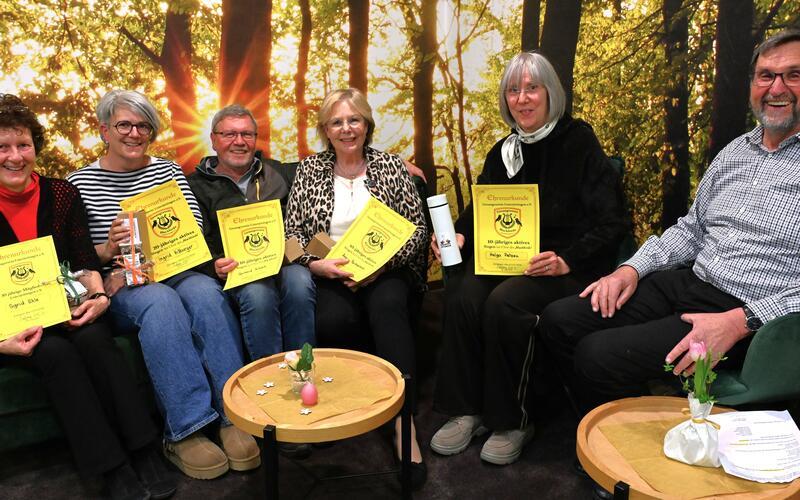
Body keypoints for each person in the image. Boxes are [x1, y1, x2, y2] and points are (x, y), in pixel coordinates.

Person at [537, 29, 800, 415]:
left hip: (749, 314)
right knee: (559, 319)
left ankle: (628, 454)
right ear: (752, 85)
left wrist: (741, 321)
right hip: (690, 280)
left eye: (793, 75)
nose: (777, 87)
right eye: (766, 75)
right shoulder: (735, 152)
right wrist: (630, 269)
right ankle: (613, 423)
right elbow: (691, 229)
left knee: (597, 355)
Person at [428, 52, 627, 465]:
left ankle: (513, 419)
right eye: (514, 90)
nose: (523, 98)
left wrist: (567, 259)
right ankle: (467, 410)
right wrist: (460, 231)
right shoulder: (504, 150)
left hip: (562, 266)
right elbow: (482, 206)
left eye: (532, 87)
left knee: (505, 302)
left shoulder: (578, 141)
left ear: (549, 92)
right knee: (464, 293)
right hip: (509, 259)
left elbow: (612, 221)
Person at [66, 90, 258, 480]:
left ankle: (232, 414)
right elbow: (79, 258)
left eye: (143, 126)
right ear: (105, 130)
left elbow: (194, 229)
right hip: (123, 285)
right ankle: (184, 430)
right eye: (124, 125)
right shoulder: (78, 183)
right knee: (161, 301)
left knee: (205, 293)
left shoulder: (167, 172)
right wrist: (109, 248)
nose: (135, 133)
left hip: (174, 269)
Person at [0, 94, 176, 500]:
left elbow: (83, 259)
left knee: (97, 340)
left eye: (23, 144)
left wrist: (97, 296)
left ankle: (144, 449)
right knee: (56, 354)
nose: (15, 156)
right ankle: (110, 467)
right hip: (12, 324)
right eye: (4, 146)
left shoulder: (60, 193)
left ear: (34, 148)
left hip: (67, 306)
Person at [284, 88, 429, 487]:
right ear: (325, 130)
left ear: (366, 125)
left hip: (387, 272)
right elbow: (291, 235)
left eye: (354, 120)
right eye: (337, 122)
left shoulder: (390, 167)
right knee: (331, 321)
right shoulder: (310, 170)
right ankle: (347, 407)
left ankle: (405, 425)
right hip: (333, 272)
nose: (346, 128)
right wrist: (319, 265)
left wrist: (382, 266)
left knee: (387, 309)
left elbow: (417, 230)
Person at [188, 104, 316, 360]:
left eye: (247, 134)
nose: (239, 142)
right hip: (238, 272)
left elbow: (327, 164)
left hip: (283, 263)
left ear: (255, 139)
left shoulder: (277, 171)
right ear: (213, 140)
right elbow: (190, 243)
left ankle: (304, 367)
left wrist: (386, 161)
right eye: (229, 134)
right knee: (258, 293)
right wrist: (213, 266)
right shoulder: (194, 185)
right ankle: (267, 380)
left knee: (300, 280)